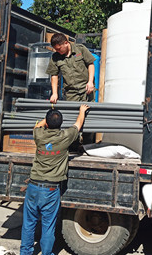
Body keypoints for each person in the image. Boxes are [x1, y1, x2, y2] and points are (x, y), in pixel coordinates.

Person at [19, 104, 89, 255]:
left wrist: (48, 116)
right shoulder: (65, 136)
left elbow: (37, 125)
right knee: (48, 226)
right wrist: (82, 110)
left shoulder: (39, 135)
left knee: (28, 224)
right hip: (50, 190)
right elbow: (78, 124)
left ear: (47, 123)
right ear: (61, 123)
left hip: (33, 187)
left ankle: (25, 253)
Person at [46, 33, 96, 104]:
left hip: (86, 89)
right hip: (71, 94)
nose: (57, 51)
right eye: (55, 49)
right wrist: (54, 93)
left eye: (59, 49)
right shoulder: (55, 57)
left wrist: (90, 82)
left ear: (66, 43)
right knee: (72, 111)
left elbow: (90, 64)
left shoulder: (80, 49)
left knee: (88, 109)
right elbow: (54, 75)